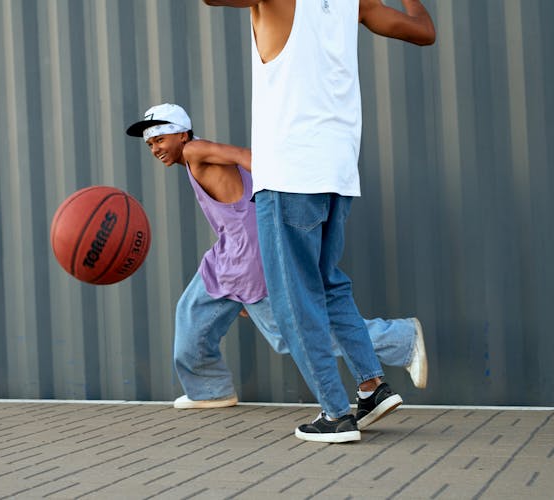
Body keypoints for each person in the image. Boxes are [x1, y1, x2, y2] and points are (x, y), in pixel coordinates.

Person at [201, 0, 436, 442]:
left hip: (290, 174)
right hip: (338, 174)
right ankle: (371, 388)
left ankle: (335, 414)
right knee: (328, 286)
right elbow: (424, 31)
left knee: (295, 304)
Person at [125, 103, 428, 414]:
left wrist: (290, 188)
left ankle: (401, 340)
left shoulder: (195, 150)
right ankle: (209, 389)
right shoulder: (195, 158)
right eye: (150, 144)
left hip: (249, 256)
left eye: (160, 139)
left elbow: (247, 156)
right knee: (193, 312)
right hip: (230, 253)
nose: (155, 149)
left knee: (288, 334)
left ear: (183, 134)